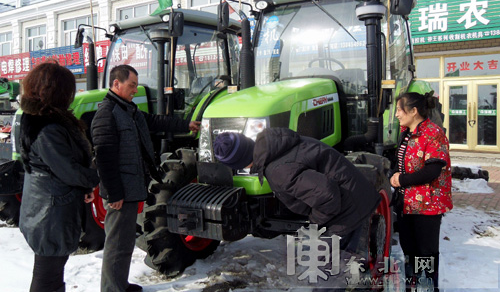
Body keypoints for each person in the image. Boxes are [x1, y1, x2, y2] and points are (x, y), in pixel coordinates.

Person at [91, 64, 200, 292]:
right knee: (116, 243)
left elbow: (155, 122)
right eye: (131, 85)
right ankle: (112, 289)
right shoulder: (107, 114)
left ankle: (120, 284)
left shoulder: (128, 110)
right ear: (116, 84)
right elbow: (104, 158)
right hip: (120, 192)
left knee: (125, 242)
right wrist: (114, 194)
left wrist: (185, 125)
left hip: (130, 188)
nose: (135, 90)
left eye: (136, 85)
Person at [213, 127, 381, 253]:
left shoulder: (277, 171)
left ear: (237, 164)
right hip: (353, 194)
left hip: (346, 212)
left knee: (326, 274)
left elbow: (327, 196)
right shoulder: (275, 145)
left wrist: (315, 223)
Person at [18, 62, 99, 292]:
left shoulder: (44, 120)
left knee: (52, 273)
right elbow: (69, 170)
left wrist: (83, 186)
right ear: (56, 91)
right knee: (48, 276)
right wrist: (94, 178)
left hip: (49, 206)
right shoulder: (48, 128)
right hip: (49, 213)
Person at [390, 92, 453, 292]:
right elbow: (401, 161)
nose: (397, 114)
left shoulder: (433, 134)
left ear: (414, 111)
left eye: (400, 109)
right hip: (406, 203)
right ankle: (412, 284)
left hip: (427, 204)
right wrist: (395, 175)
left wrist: (401, 180)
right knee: (409, 249)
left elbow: (432, 170)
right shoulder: (407, 132)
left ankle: (429, 286)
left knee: (426, 251)